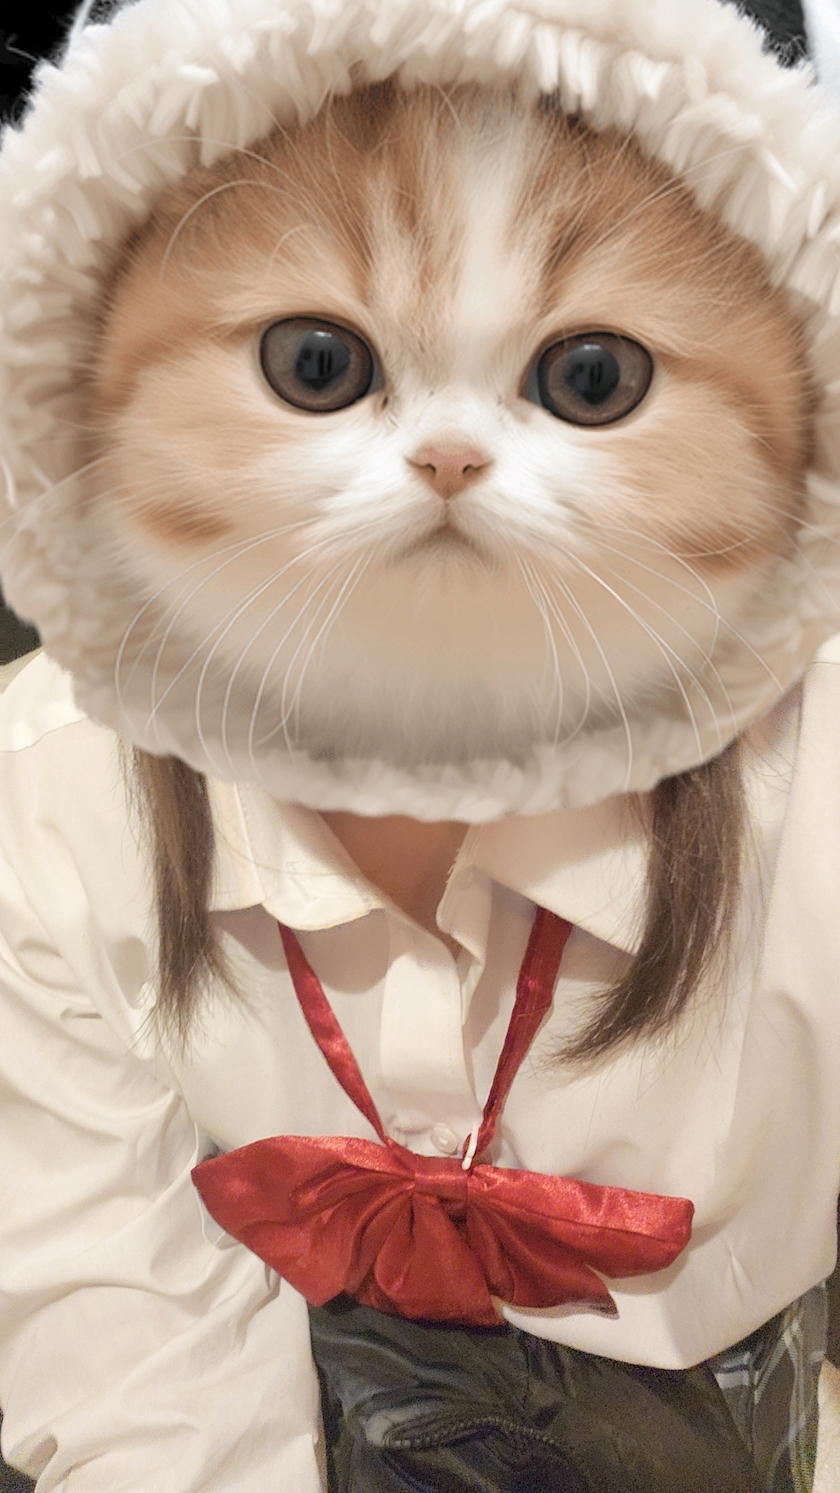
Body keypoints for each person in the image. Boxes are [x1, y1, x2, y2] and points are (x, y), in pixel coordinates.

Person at [1, 0, 840, 1488]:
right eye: (320, 361)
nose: (448, 459)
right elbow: (130, 1363)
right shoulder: (47, 797)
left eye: (590, 376)